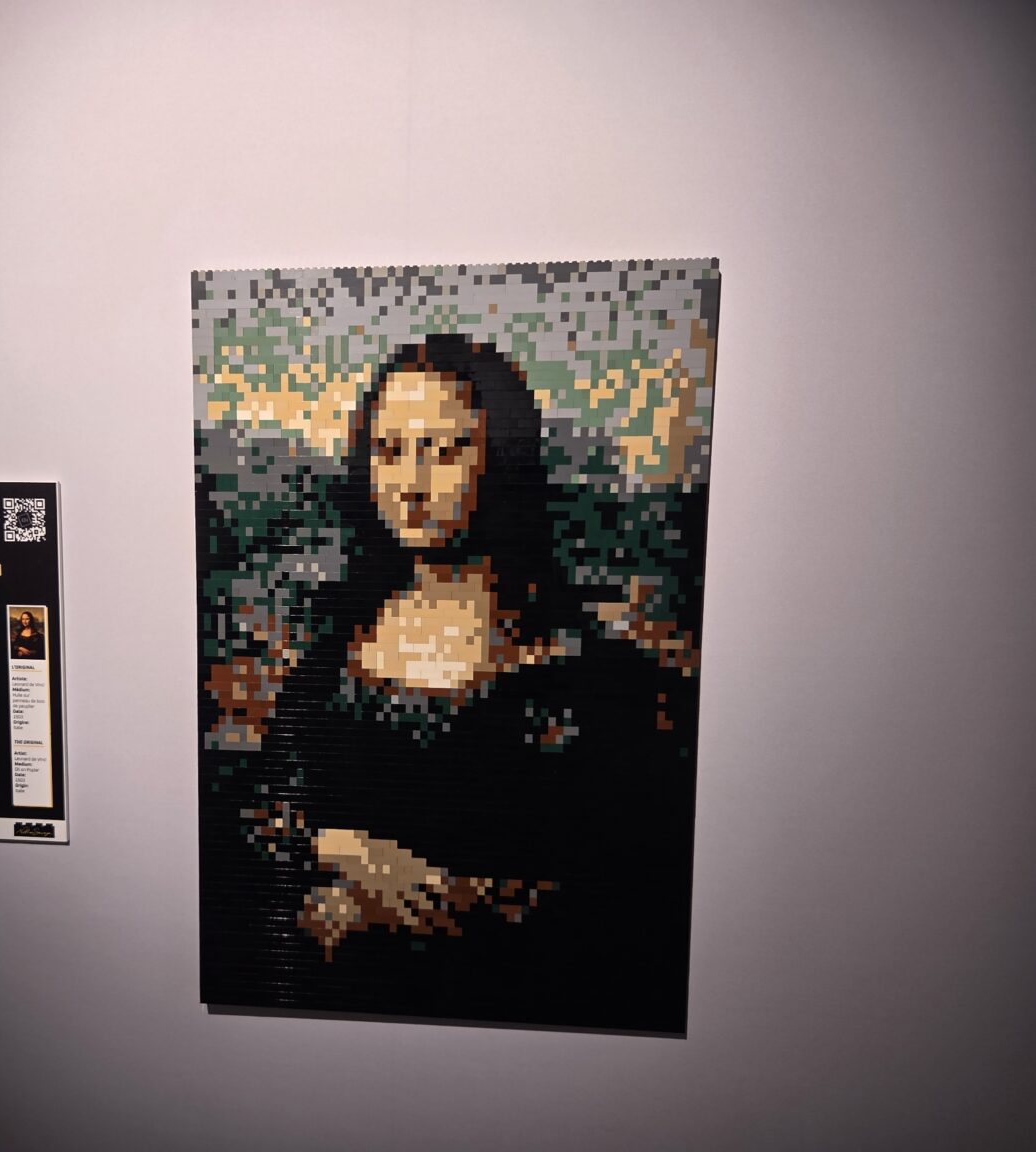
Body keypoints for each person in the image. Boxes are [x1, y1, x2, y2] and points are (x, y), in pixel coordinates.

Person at [200, 333, 698, 1030]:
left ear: (504, 457)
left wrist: (420, 905)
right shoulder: (334, 643)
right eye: (388, 451)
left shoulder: (581, 671)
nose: (410, 483)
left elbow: (620, 894)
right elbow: (258, 815)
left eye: (443, 450)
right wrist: (342, 851)